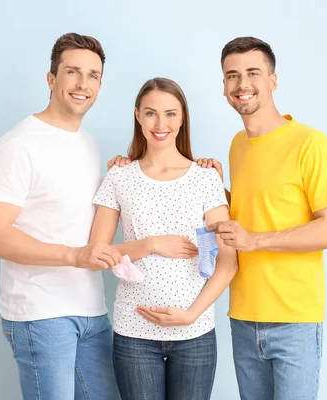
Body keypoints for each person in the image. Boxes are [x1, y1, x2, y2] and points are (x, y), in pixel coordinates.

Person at [196, 36, 327, 400]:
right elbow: (255, 209)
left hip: (294, 320)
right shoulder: (237, 145)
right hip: (243, 315)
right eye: (232, 76)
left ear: (273, 80)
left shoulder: (310, 143)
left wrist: (255, 241)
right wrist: (216, 189)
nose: (242, 84)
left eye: (253, 73)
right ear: (223, 86)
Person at [0, 33, 120, 400]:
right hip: (40, 312)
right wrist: (74, 256)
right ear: (51, 78)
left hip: (91, 311)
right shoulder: (17, 145)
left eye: (92, 75)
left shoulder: (87, 142)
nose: (82, 84)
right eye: (72, 72)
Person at [89, 77, 238, 400]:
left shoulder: (206, 178)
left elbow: (228, 262)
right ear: (137, 116)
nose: (160, 123)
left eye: (170, 114)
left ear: (182, 117)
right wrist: (150, 244)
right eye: (151, 113)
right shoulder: (120, 175)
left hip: (195, 332)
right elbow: (97, 253)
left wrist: (191, 314)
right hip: (134, 334)